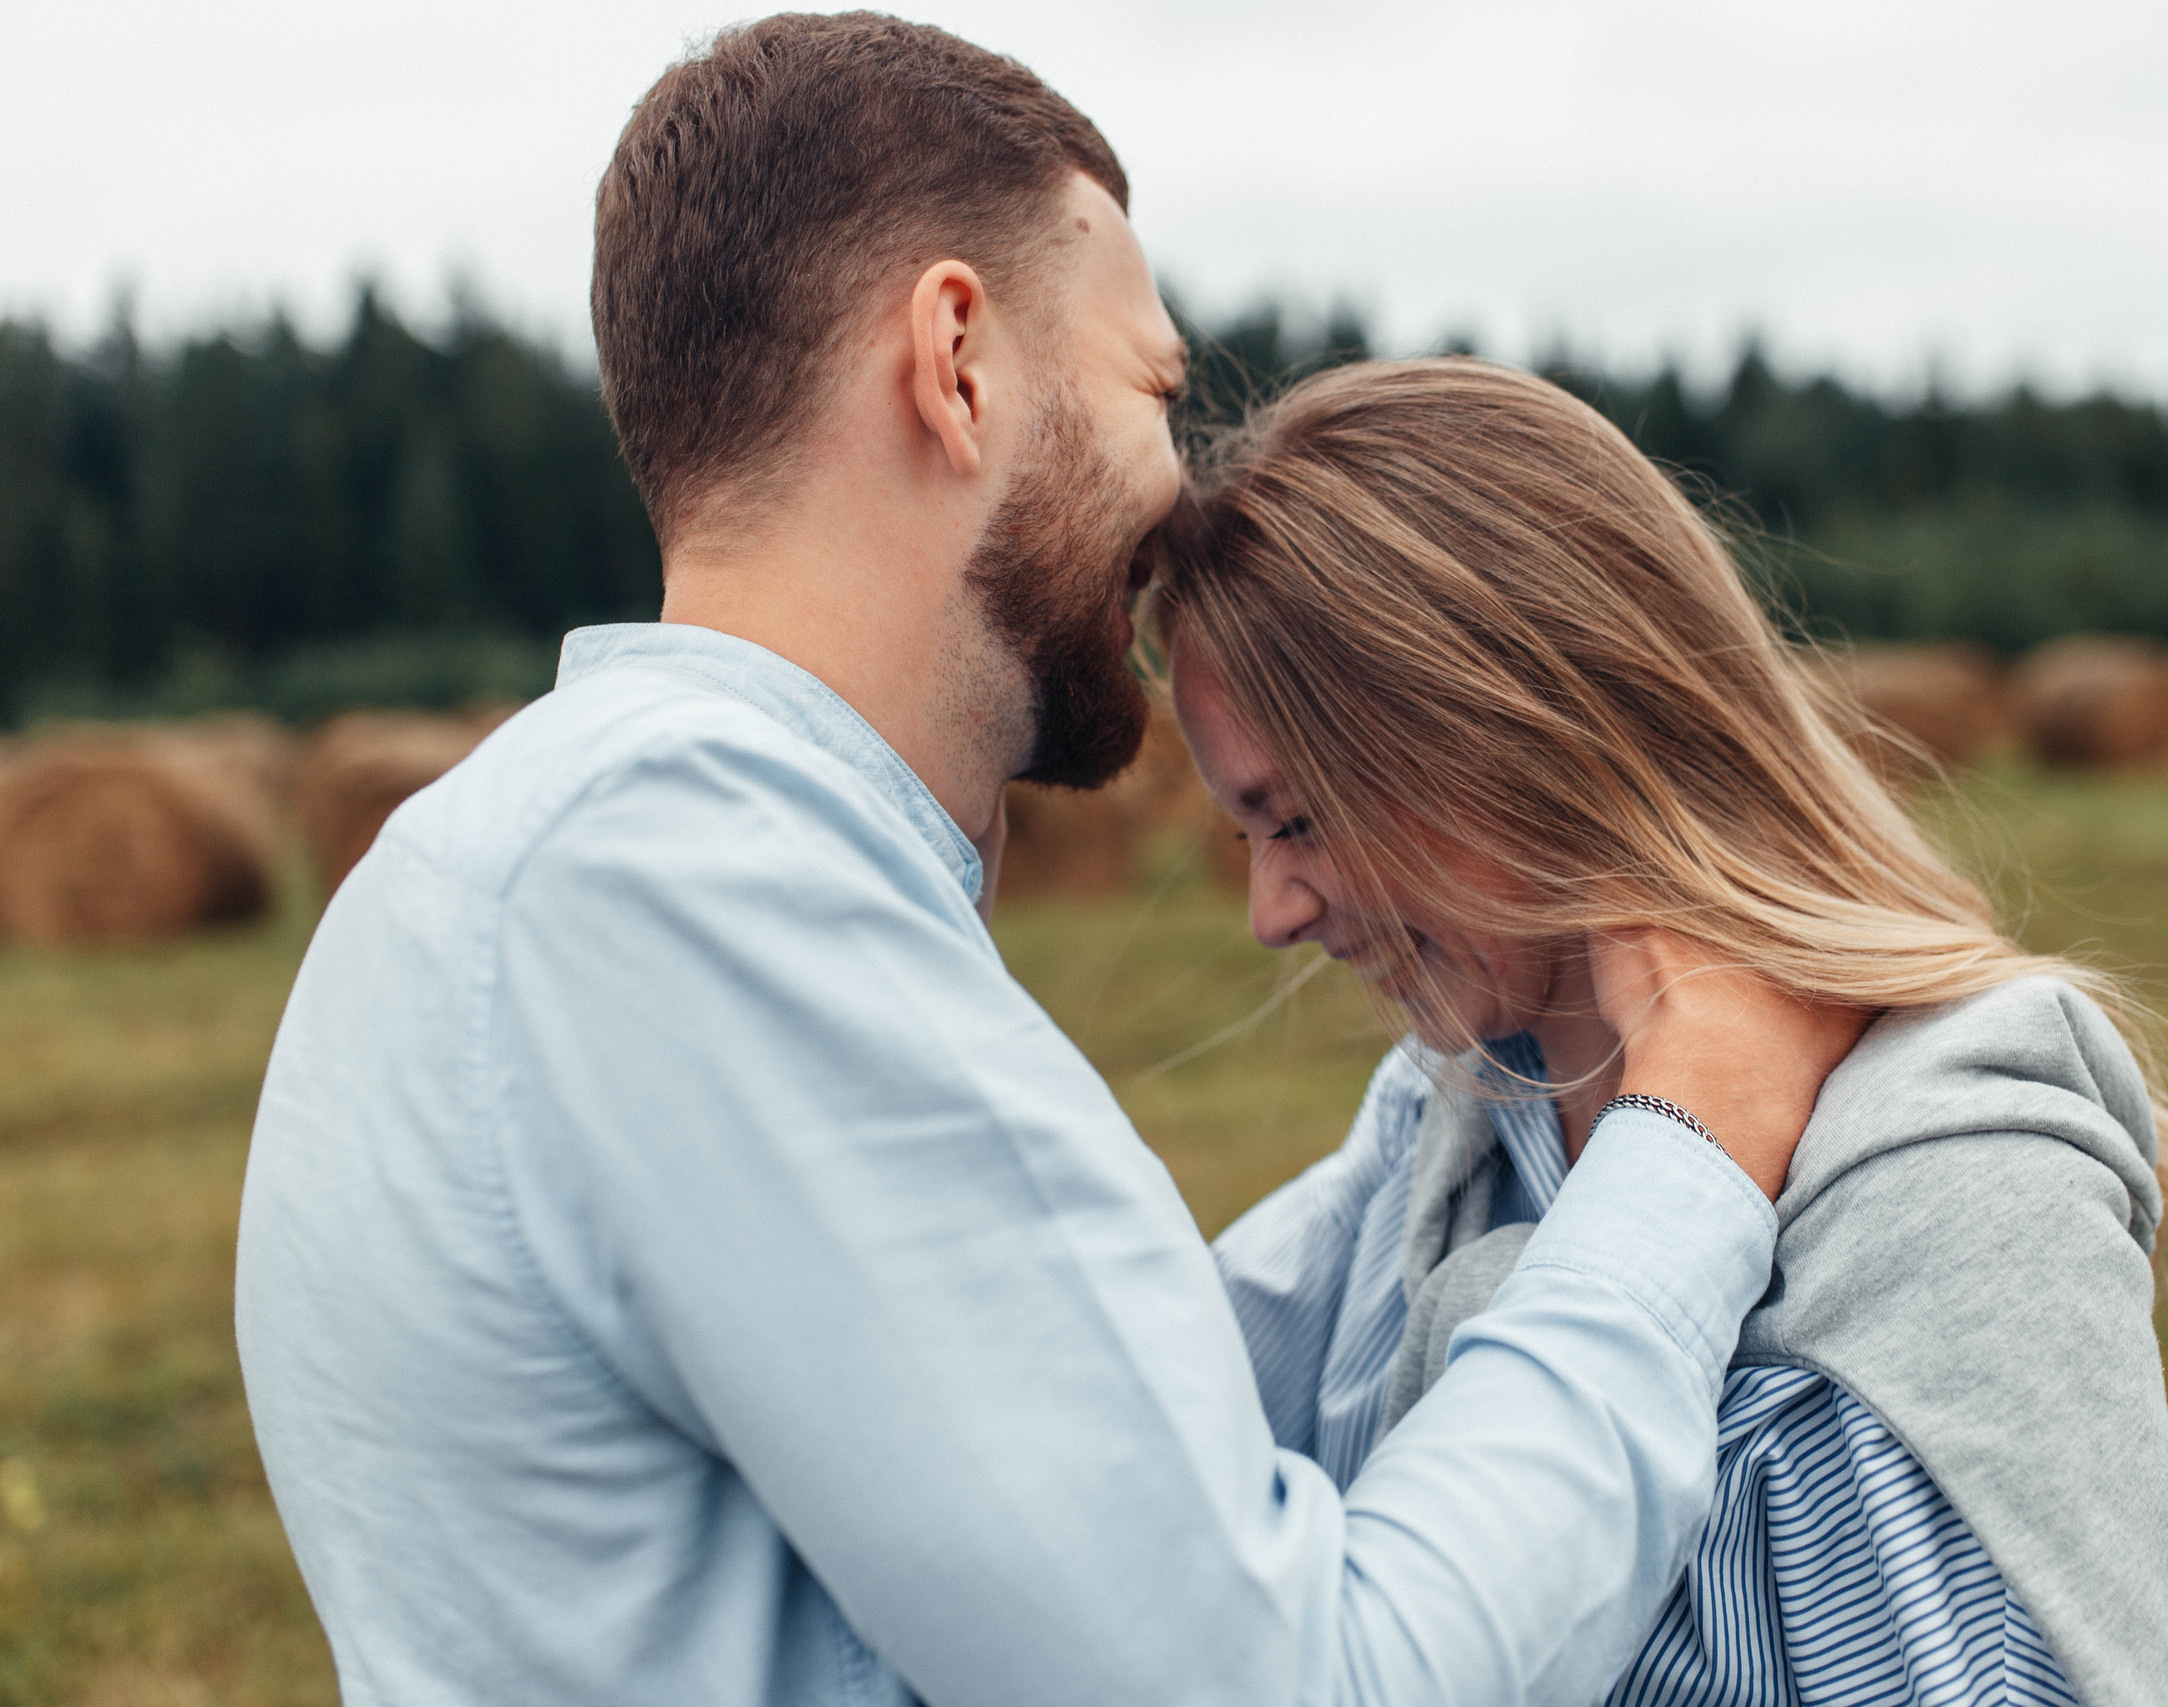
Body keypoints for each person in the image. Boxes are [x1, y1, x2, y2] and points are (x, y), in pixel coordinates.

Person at [233, 17, 1860, 1707]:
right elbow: (1290, 1682)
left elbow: (1062, 1446)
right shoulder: (705, 895)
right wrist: (1686, 1151)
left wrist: (1434, 1147)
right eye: (1152, 387)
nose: (1179, 491)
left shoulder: (524, 860)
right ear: (957, 358)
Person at [1151, 358, 2168, 1707]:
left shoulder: (1955, 1172)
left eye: (1301, 819)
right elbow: (1149, 1438)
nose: (1271, 910)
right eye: (1246, 832)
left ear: (1509, 732)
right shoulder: (1456, 1110)